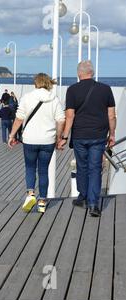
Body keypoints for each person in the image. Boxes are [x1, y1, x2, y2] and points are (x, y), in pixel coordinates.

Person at [58, 61, 116, 217]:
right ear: (93, 72)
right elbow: (111, 115)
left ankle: (83, 197)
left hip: (79, 136)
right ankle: (93, 204)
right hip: (98, 136)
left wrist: (64, 136)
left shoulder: (72, 90)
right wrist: (112, 135)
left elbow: (70, 116)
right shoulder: (106, 89)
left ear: (79, 73)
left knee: (82, 167)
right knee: (95, 168)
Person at [8, 73, 65, 214]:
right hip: (48, 140)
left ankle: (30, 194)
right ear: (48, 83)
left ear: (36, 83)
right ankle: (42, 202)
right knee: (44, 170)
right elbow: (61, 120)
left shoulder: (27, 97)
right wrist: (59, 137)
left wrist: (12, 135)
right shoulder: (54, 99)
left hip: (30, 140)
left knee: (30, 167)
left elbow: (19, 118)